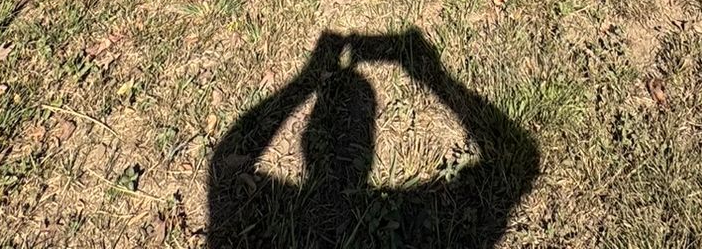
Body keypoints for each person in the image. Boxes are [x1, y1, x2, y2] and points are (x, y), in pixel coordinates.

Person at [207, 28, 539, 248]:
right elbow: (522, 158)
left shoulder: (275, 212)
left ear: (306, 143)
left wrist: (307, 78)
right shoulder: (424, 217)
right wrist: (431, 75)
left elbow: (225, 163)